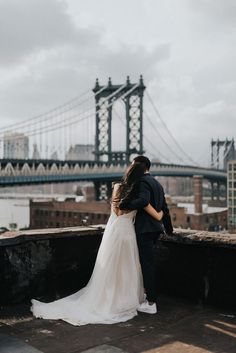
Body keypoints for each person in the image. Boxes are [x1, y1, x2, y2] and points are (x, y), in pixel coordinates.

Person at [31, 162, 163, 326]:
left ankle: (114, 299)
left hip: (116, 230)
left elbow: (116, 211)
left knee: (113, 266)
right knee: (126, 266)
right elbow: (129, 211)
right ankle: (125, 300)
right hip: (126, 231)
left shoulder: (118, 187)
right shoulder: (138, 192)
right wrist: (159, 214)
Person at [119, 156, 173, 314]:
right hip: (155, 229)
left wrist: (124, 204)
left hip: (145, 229)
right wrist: (169, 229)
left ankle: (151, 303)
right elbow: (165, 208)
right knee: (146, 263)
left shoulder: (142, 182)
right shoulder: (157, 183)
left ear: (138, 166)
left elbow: (143, 200)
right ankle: (146, 296)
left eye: (132, 165)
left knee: (147, 265)